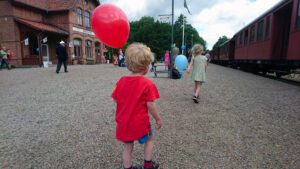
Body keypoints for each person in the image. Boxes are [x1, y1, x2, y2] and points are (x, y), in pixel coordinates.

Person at [112, 43, 162, 169]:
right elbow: (150, 104)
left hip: (124, 123)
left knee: (128, 147)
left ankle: (128, 167)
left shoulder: (121, 81)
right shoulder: (147, 84)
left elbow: (116, 99)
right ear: (146, 67)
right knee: (149, 140)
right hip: (140, 123)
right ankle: (148, 164)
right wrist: (158, 119)